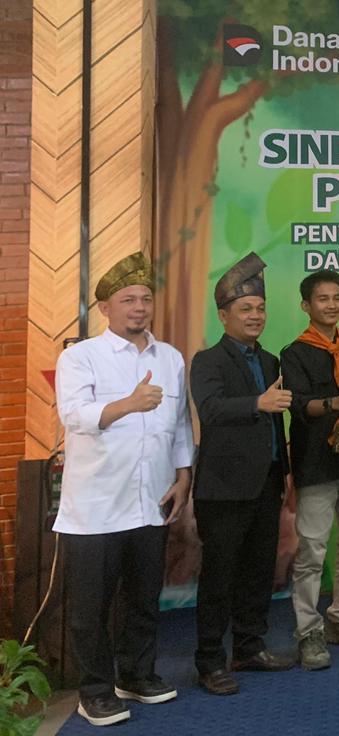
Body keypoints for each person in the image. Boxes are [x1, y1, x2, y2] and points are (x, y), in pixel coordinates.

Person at [53, 253, 193, 727]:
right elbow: (74, 415)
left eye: (145, 299)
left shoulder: (170, 358)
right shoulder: (80, 357)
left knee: (143, 598)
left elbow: (179, 425)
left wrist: (184, 476)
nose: (139, 307)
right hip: (96, 507)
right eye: (128, 299)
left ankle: (136, 675)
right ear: (105, 308)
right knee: (91, 608)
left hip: (151, 500)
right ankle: (94, 692)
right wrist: (128, 404)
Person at [190, 252, 295, 695]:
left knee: (257, 572)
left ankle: (249, 648)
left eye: (260, 308)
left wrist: (284, 472)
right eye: (245, 308)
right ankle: (210, 661)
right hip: (224, 489)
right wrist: (258, 403)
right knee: (219, 577)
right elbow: (211, 410)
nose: (255, 316)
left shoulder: (270, 361)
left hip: (266, 483)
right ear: (223, 315)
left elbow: (275, 424)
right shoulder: (207, 361)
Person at [280, 270, 339, 669]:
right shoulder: (294, 352)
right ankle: (308, 631)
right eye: (323, 299)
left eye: (337, 297)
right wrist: (334, 404)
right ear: (306, 305)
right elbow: (298, 405)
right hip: (315, 463)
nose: (332, 305)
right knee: (311, 552)